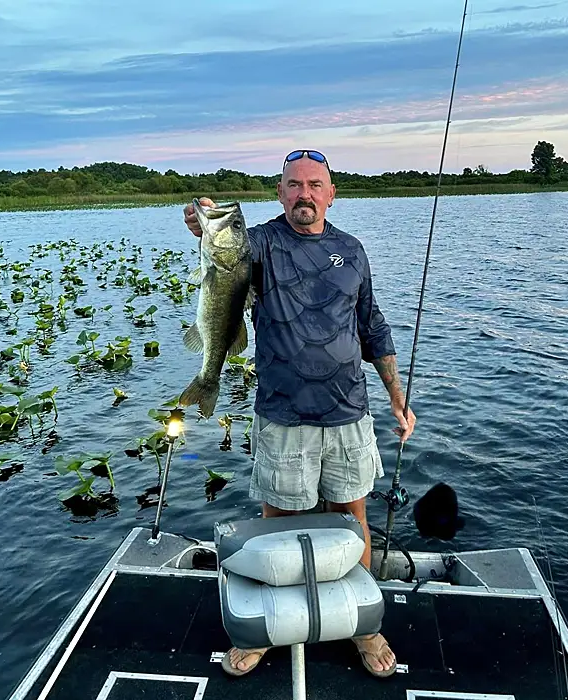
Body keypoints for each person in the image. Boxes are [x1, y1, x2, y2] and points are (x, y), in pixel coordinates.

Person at [183, 149, 416, 678]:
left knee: (352, 519)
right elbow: (223, 248)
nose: (303, 194)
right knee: (279, 522)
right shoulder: (260, 243)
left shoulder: (351, 251)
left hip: (348, 411)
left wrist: (397, 397)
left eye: (314, 185)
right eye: (293, 185)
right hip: (283, 416)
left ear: (331, 194)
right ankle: (270, 625)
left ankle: (363, 625)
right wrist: (200, 221)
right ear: (280, 192)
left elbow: (372, 326)